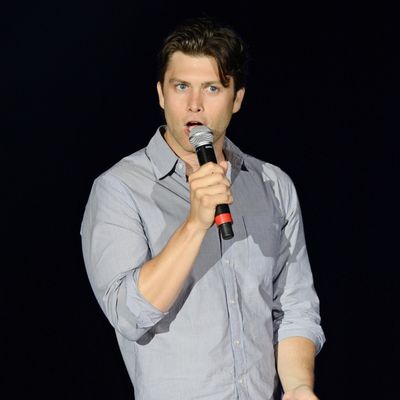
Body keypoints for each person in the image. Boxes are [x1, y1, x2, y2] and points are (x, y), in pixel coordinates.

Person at [81, 16, 325, 400]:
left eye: (212, 88)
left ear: (237, 98)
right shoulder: (120, 189)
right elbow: (128, 315)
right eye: (181, 87)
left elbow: (294, 307)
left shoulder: (272, 186)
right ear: (161, 94)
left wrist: (297, 387)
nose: (194, 104)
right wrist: (195, 224)